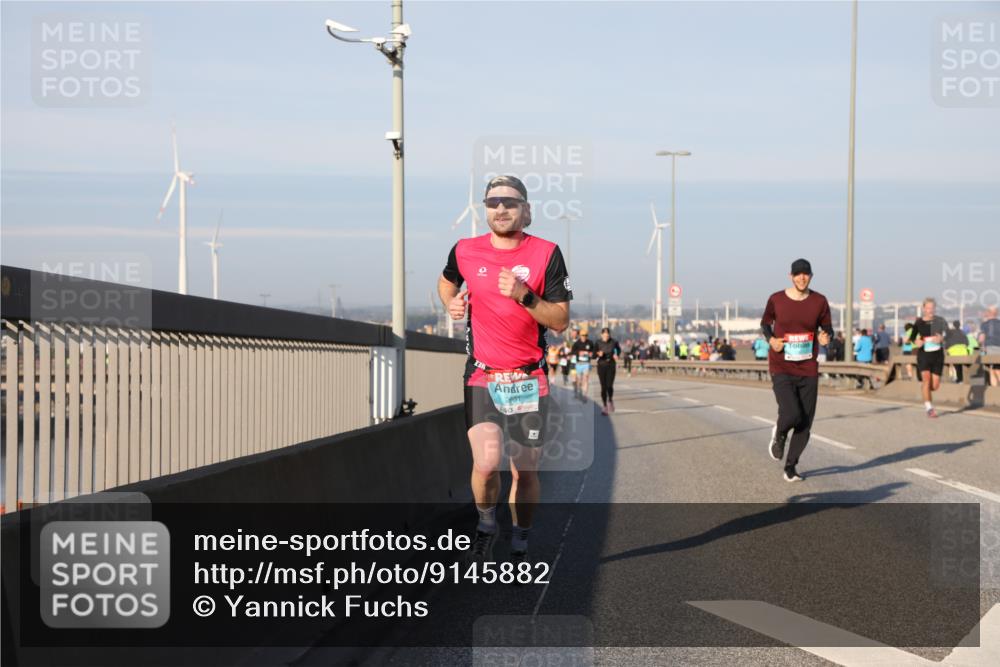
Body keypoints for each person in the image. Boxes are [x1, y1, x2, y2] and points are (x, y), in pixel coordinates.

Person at [439, 174, 572, 565]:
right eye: (493, 202)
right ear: (484, 210)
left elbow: (560, 320)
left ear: (526, 211)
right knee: (485, 462)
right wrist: (451, 304)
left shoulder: (546, 253)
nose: (501, 208)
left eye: (510, 202)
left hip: (528, 379)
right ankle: (484, 525)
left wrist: (523, 294)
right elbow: (446, 283)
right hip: (483, 376)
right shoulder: (464, 250)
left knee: (524, 473)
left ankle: (521, 538)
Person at [760, 258, 833, 482]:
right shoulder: (776, 299)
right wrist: (771, 339)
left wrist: (825, 335)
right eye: (798, 274)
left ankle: (791, 467)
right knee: (791, 413)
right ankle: (780, 433)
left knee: (805, 422)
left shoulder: (819, 301)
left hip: (808, 366)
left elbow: (827, 326)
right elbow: (765, 323)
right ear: (791, 276)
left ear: (811, 276)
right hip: (781, 364)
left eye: (806, 274)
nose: (802, 277)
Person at [907, 297, 948, 418]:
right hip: (924, 354)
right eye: (928, 308)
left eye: (932, 308)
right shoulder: (919, 322)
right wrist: (917, 341)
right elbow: (912, 337)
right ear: (924, 309)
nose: (930, 310)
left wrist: (941, 338)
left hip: (937, 355)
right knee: (926, 380)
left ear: (935, 309)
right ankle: (929, 407)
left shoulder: (940, 320)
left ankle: (925, 390)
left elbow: (948, 333)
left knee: (934, 386)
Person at [596, 327, 621, 415]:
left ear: (609, 334)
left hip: (611, 365)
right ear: (601, 334)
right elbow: (594, 353)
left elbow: (618, 350)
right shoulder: (598, 342)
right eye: (604, 334)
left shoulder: (614, 342)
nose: (606, 335)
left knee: (609, 386)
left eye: (607, 334)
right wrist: (598, 353)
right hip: (601, 365)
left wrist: (616, 354)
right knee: (603, 387)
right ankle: (604, 406)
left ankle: (610, 400)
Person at [571, 329, 596, 401]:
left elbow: (594, 351)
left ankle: (585, 395)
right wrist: (579, 353)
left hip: (586, 363)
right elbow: (573, 352)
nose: (584, 337)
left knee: (586, 378)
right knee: (579, 380)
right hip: (578, 364)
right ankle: (580, 392)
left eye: (585, 335)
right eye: (582, 335)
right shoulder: (577, 343)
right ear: (580, 336)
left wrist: (591, 354)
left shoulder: (590, 343)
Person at [980, 306, 1000, 387]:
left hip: (990, 348)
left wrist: (982, 348)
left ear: (988, 313)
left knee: (992, 369)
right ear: (997, 313)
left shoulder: (985, 324)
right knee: (997, 368)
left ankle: (994, 390)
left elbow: (981, 339)